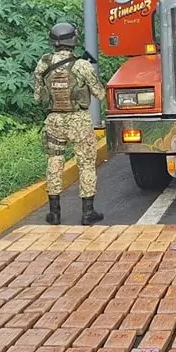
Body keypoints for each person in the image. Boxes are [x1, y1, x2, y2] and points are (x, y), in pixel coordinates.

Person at [32, 22, 106, 225]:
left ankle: (54, 213)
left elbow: (37, 96)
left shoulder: (44, 63)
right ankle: (87, 213)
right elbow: (99, 93)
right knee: (86, 164)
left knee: (54, 161)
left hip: (54, 120)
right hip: (79, 121)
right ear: (73, 40)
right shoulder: (82, 65)